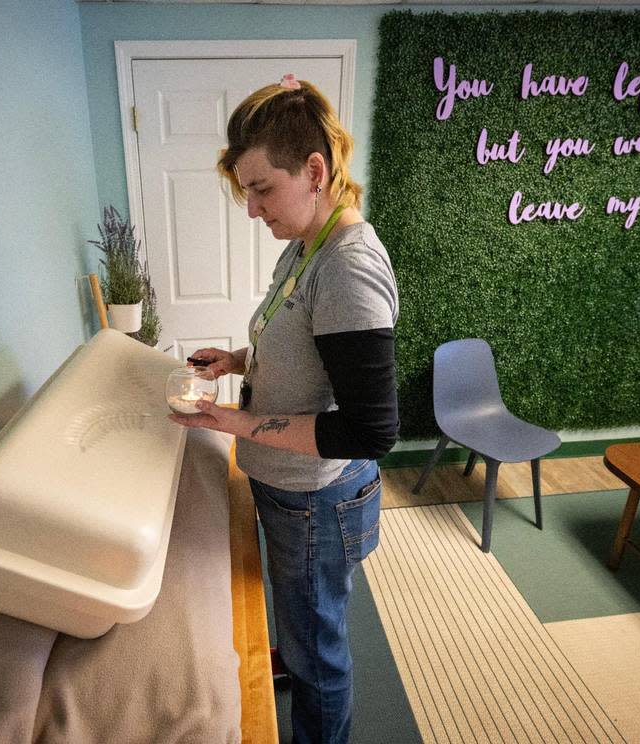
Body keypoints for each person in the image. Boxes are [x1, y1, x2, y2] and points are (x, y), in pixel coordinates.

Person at [168, 74, 399, 744]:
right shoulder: (307, 245)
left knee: (317, 658)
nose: (251, 210)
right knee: (308, 631)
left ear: (315, 169)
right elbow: (309, 351)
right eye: (246, 192)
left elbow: (370, 430)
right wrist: (238, 362)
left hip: (316, 500)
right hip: (293, 490)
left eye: (261, 189)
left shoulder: (347, 268)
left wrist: (230, 421)